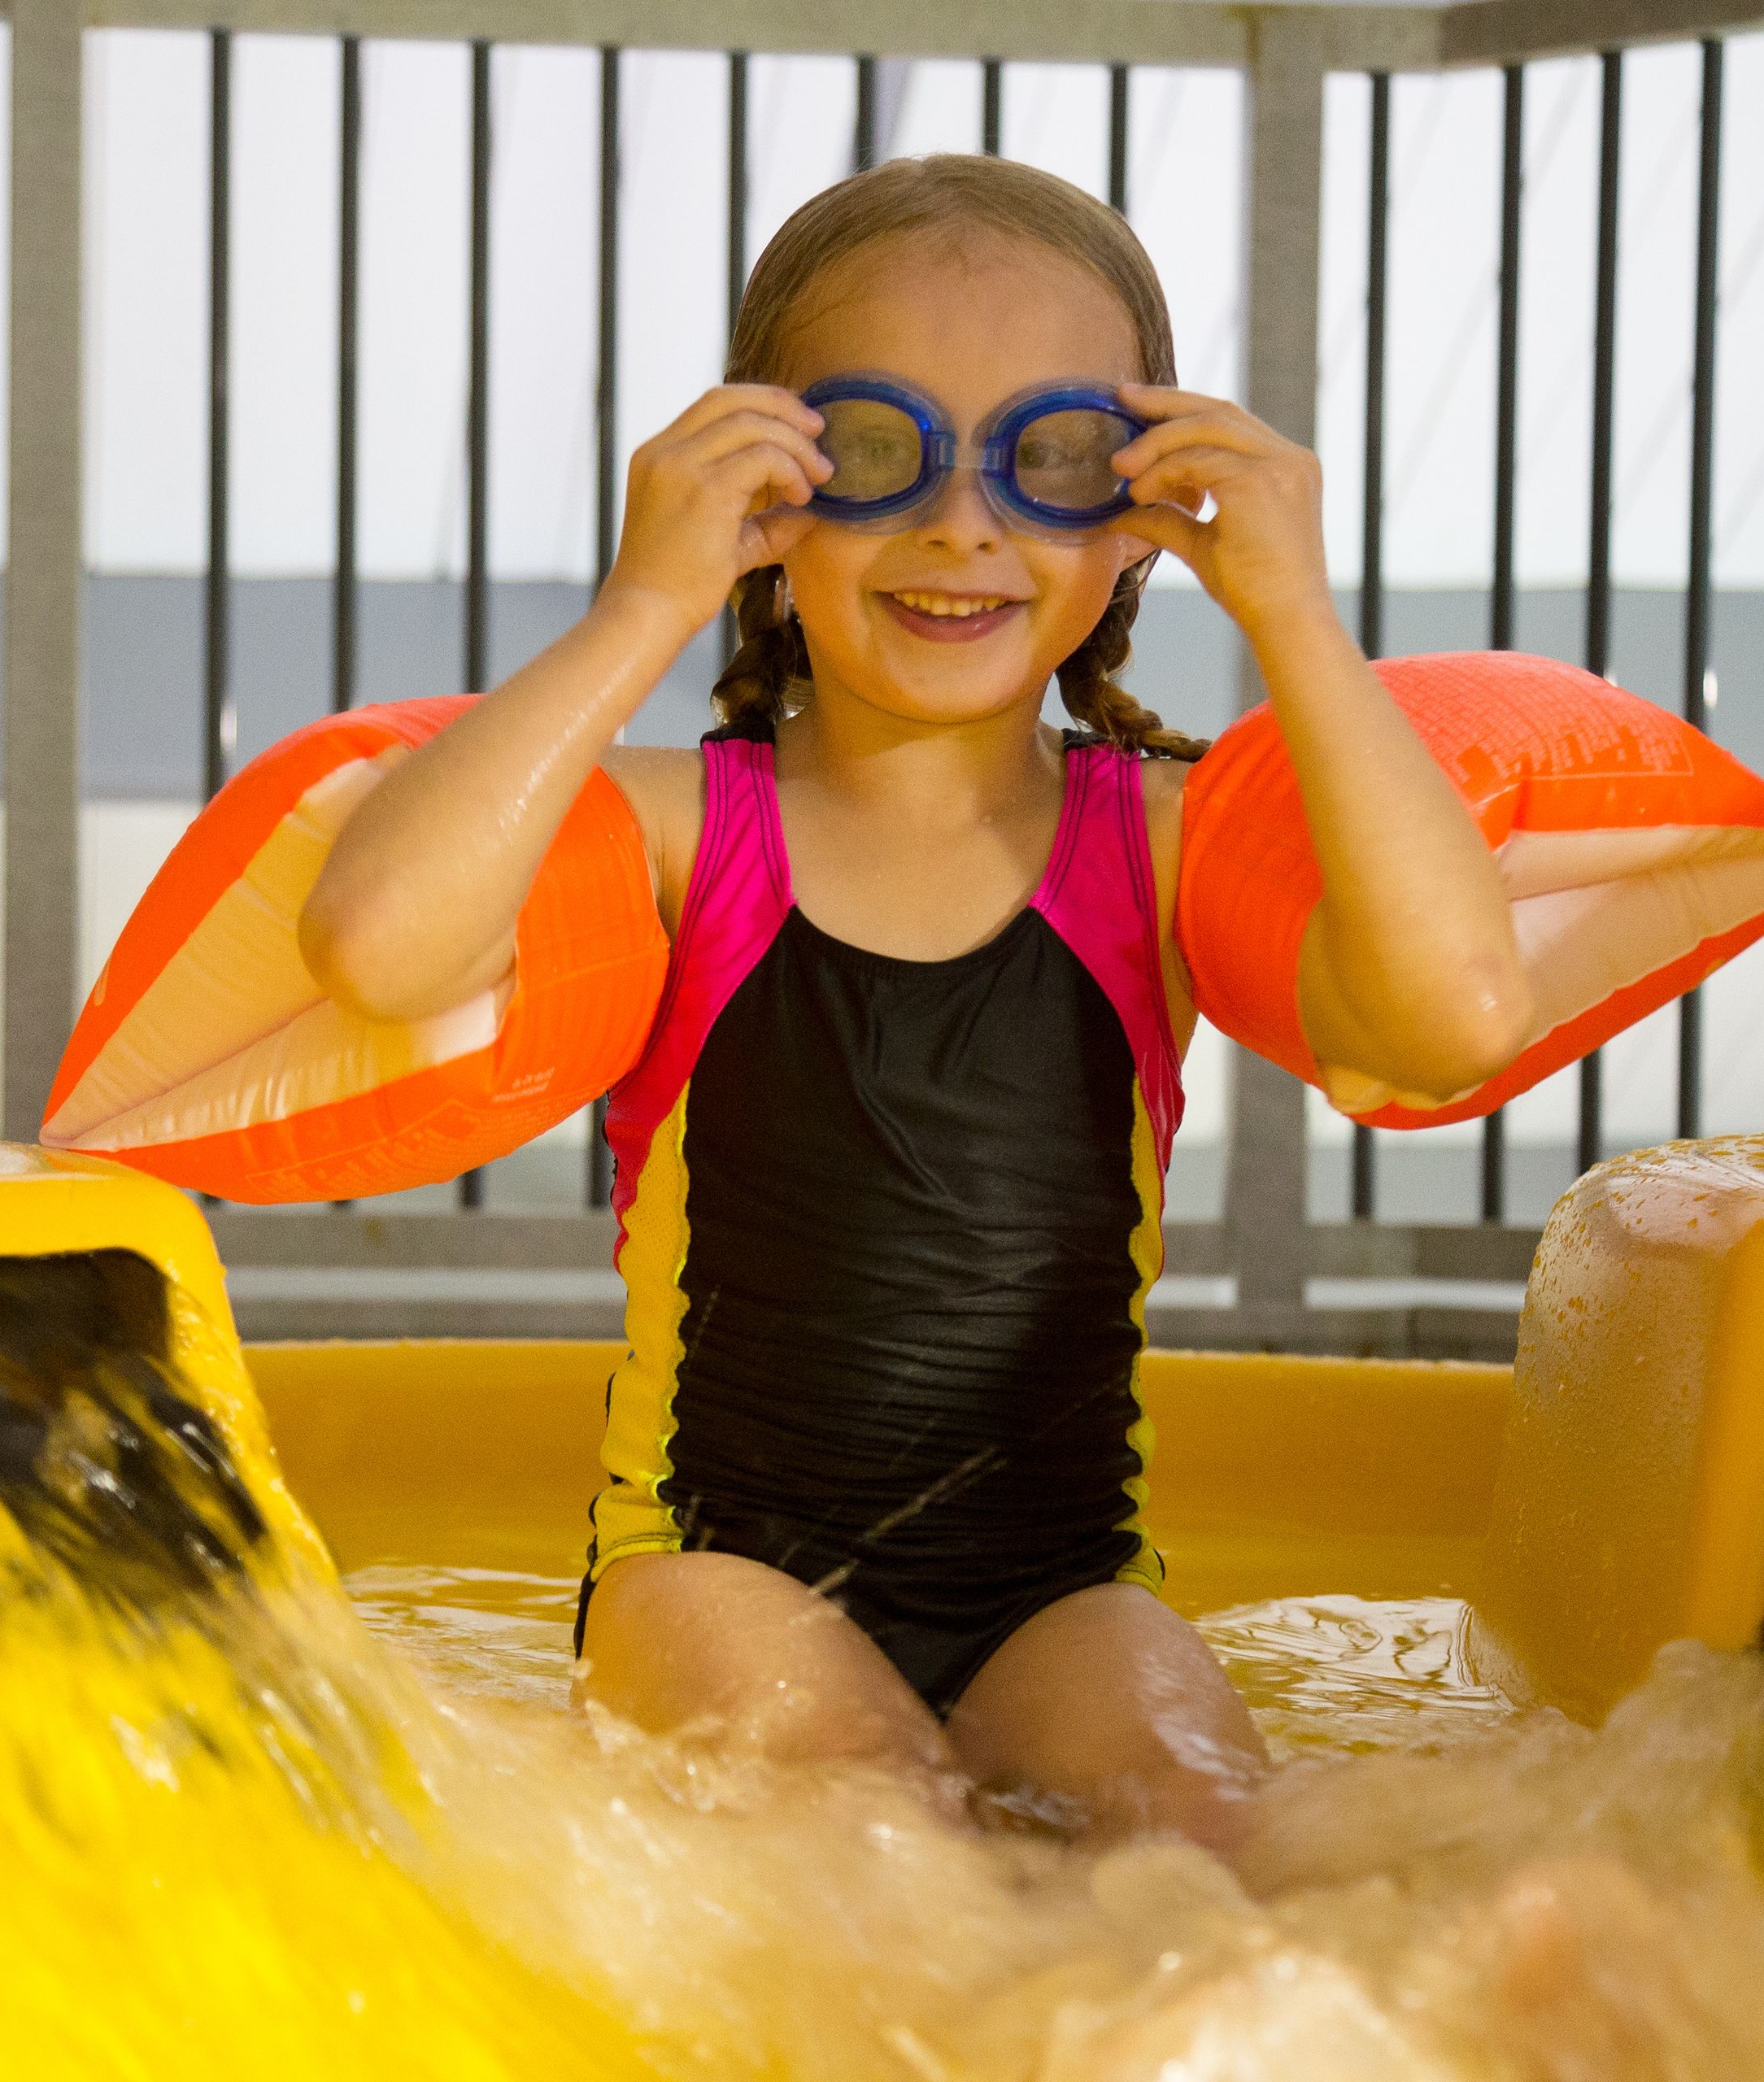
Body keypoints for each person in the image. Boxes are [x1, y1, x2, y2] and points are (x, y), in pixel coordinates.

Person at [300, 155, 1529, 1853]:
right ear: (767, 492)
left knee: (1204, 1829)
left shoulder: (1155, 845)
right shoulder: (683, 824)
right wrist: (643, 601)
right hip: (713, 1579)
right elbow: (375, 941)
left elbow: (1460, 1013)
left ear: (1137, 511)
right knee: (871, 1832)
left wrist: (1296, 613)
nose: (963, 524)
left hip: (1064, 1595)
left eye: (1054, 459)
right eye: (880, 453)